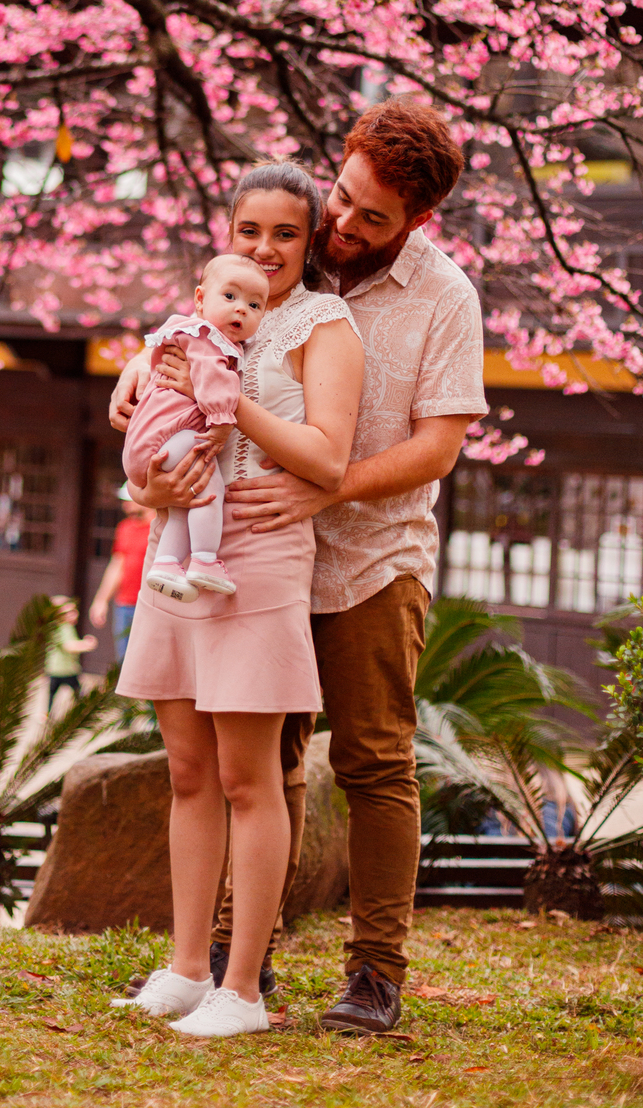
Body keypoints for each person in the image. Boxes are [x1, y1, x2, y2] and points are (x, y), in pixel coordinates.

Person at [111, 99, 487, 1035]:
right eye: (344, 200)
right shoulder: (287, 257)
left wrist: (329, 486)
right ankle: (240, 959)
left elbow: (438, 446)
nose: (346, 227)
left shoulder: (443, 300)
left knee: (370, 761)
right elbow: (203, 328)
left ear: (417, 222)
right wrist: (139, 376)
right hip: (251, 554)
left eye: (374, 219)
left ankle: (373, 972)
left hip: (367, 559)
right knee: (255, 765)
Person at [111, 164, 364, 1038]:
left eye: (286, 233)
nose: (266, 248)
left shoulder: (322, 326)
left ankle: (243, 988)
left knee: (248, 778)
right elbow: (148, 410)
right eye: (249, 230)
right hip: (179, 548)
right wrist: (144, 385)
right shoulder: (195, 318)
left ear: (311, 241)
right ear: (227, 235)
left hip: (258, 560)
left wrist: (232, 405)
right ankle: (185, 968)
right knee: (186, 772)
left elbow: (328, 460)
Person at [123, 254, 269, 601]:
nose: (241, 310)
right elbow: (214, 383)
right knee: (208, 491)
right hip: (174, 438)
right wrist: (220, 423)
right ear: (201, 300)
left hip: (150, 446)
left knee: (181, 507)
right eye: (230, 297)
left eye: (254, 305)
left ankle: (167, 565)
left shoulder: (184, 333)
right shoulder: (207, 338)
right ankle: (204, 559)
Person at [88, 487, 155, 661]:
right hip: (124, 605)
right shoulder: (124, 528)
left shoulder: (160, 527)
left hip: (150, 604)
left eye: (129, 500)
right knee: (123, 660)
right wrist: (101, 600)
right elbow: (117, 564)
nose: (125, 506)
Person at [44, 595, 98, 714]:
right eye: (69, 612)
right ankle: (50, 713)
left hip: (64, 668)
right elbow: (68, 646)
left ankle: (49, 713)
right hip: (62, 669)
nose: (74, 614)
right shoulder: (62, 628)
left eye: (74, 611)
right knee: (65, 692)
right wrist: (85, 645)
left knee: (61, 692)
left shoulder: (66, 627)